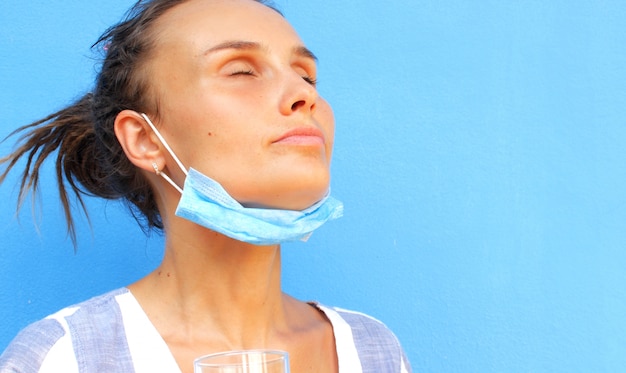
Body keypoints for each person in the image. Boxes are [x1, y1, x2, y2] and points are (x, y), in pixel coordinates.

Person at [0, 0, 412, 372]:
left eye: (307, 75)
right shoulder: (63, 358)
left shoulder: (373, 349)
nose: (303, 95)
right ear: (144, 140)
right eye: (241, 71)